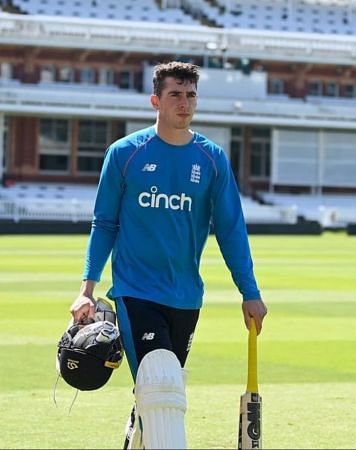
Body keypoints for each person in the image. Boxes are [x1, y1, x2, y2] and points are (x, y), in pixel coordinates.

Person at [69, 61, 267, 449]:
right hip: (135, 290)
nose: (185, 102)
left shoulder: (211, 159)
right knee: (161, 386)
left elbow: (231, 230)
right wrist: (87, 289)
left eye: (191, 94)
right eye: (175, 94)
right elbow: (104, 223)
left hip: (186, 296)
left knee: (159, 391)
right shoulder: (125, 153)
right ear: (156, 100)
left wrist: (250, 292)